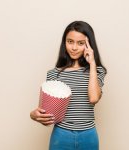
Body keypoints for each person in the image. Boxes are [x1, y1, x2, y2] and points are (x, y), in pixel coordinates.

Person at [30, 21, 107, 150]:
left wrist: (92, 63)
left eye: (81, 43)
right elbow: (45, 114)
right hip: (61, 135)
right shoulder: (53, 74)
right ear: (64, 43)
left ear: (89, 45)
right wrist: (34, 115)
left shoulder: (97, 71)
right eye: (70, 41)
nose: (74, 47)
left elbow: (94, 98)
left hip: (88, 135)